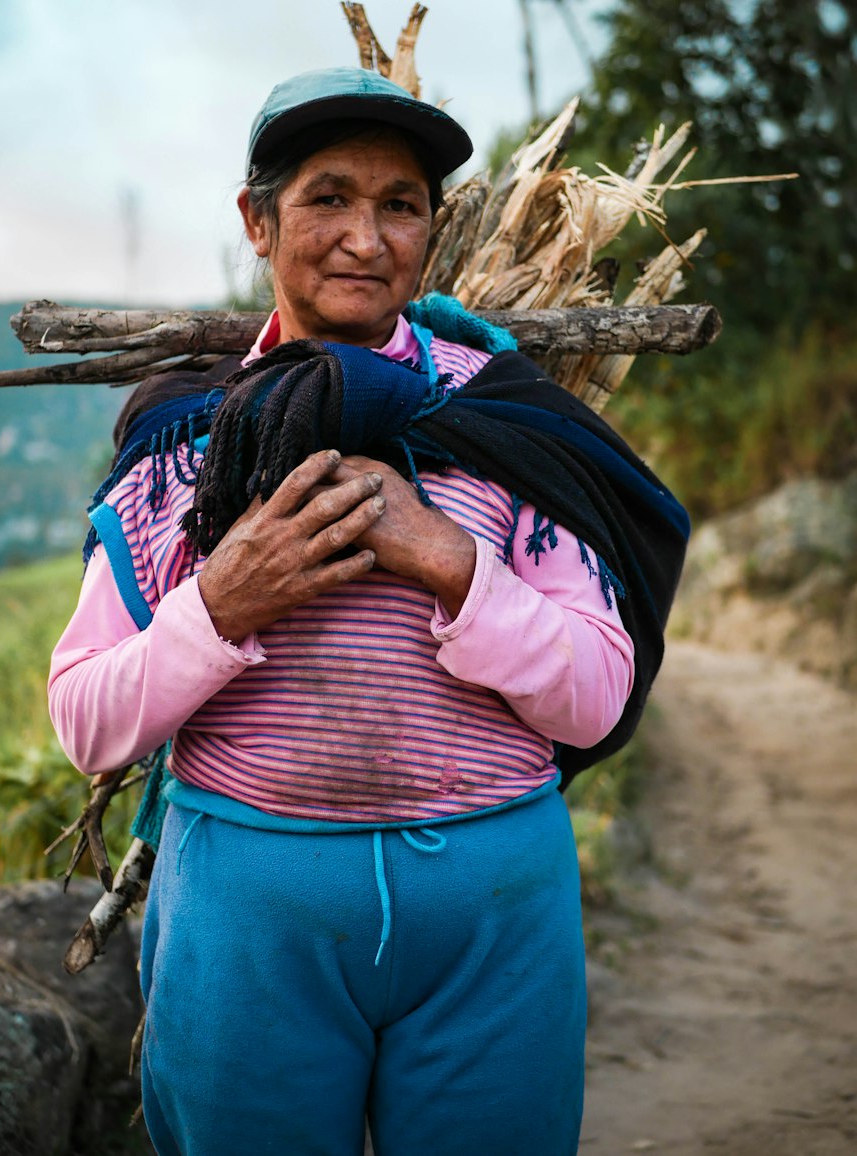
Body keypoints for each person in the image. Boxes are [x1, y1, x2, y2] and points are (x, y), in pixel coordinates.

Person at [48, 66, 688, 1156]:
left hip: (493, 919)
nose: (365, 236)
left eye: (400, 205)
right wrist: (223, 601)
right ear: (258, 220)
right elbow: (87, 723)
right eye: (328, 197)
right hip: (251, 917)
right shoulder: (186, 440)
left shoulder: (500, 418)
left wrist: (448, 560)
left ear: (431, 234)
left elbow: (593, 699)